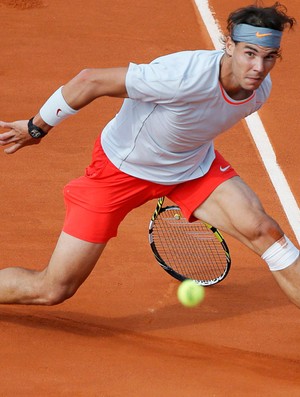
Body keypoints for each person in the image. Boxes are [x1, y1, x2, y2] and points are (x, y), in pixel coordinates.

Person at [0, 2, 299, 308]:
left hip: (192, 169)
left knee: (265, 232)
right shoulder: (181, 77)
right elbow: (91, 80)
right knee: (52, 289)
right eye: (250, 53)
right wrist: (36, 127)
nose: (259, 68)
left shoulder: (259, 90)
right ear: (229, 45)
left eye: (269, 57)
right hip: (118, 172)